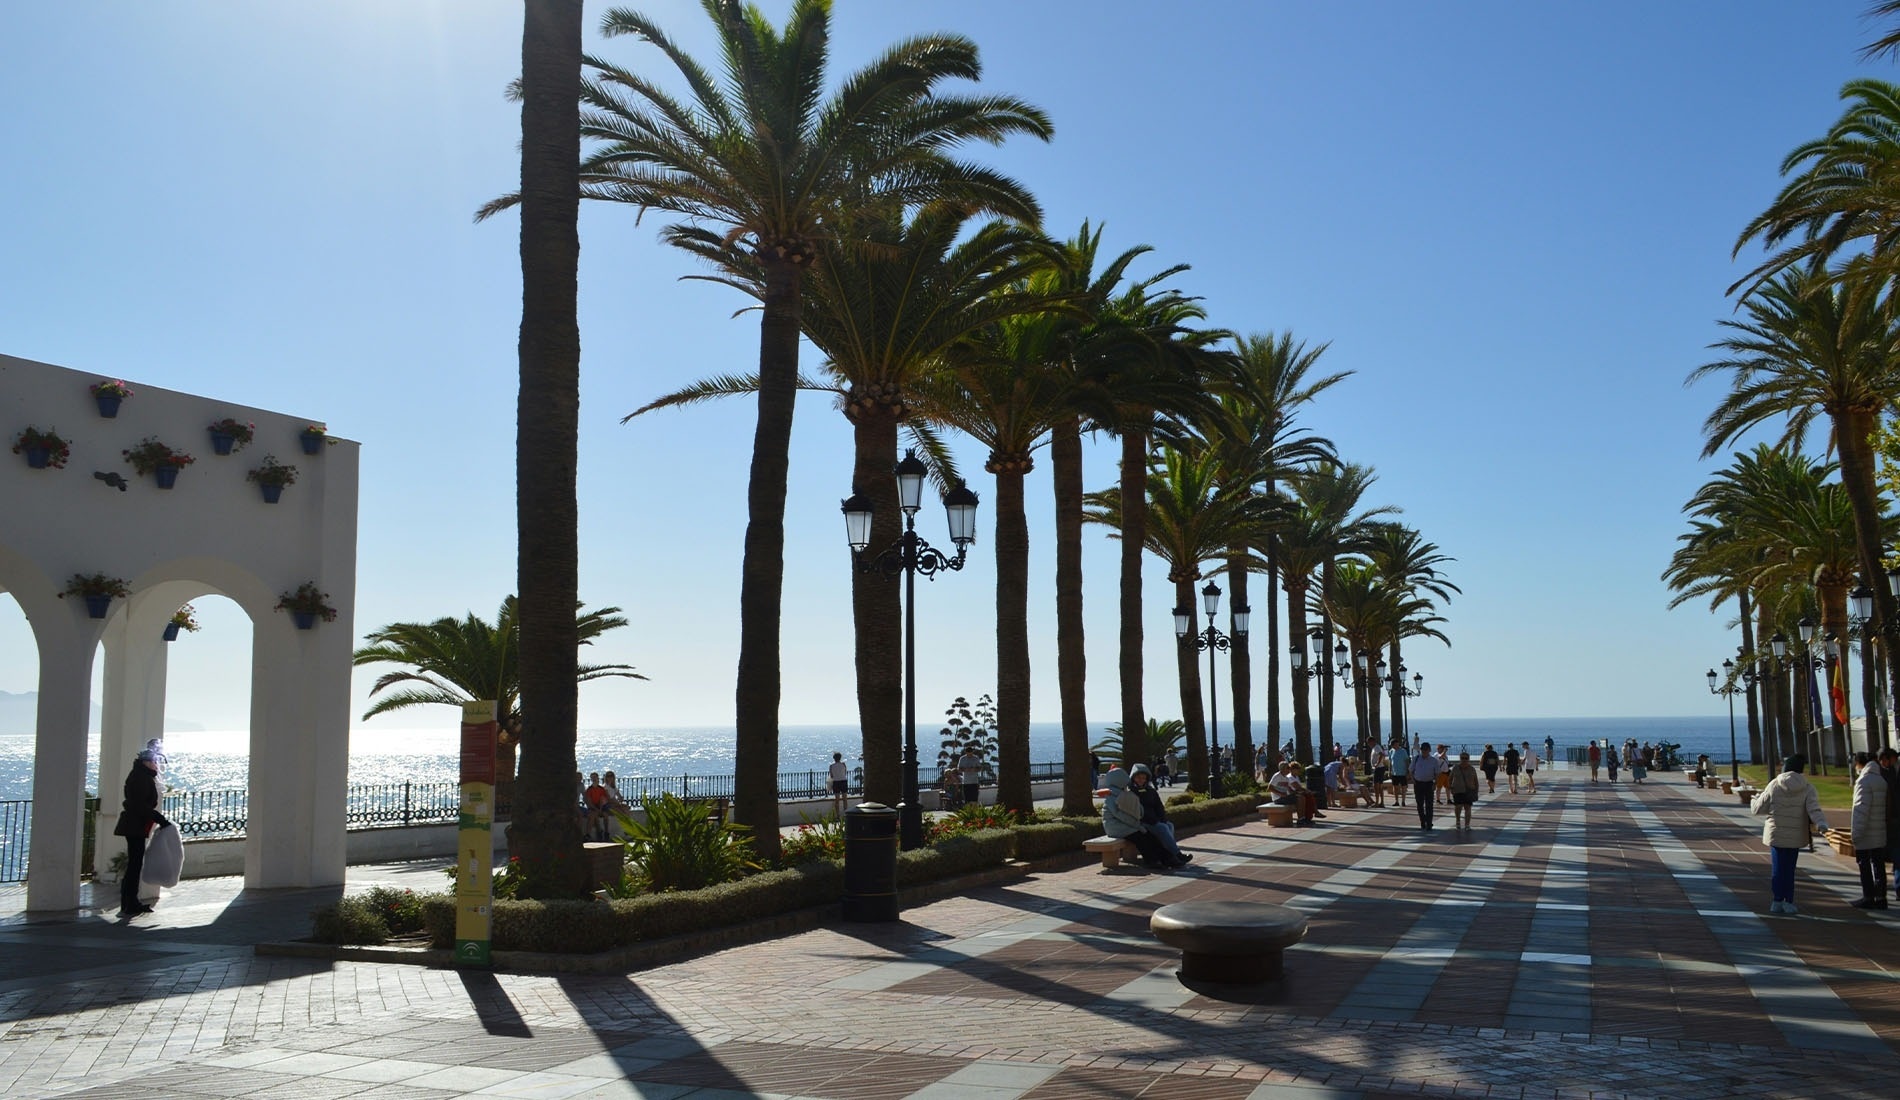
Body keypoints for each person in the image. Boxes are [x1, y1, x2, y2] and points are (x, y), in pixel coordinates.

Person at [1751, 753, 1829, 915]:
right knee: (1790, 869)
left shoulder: (1774, 785)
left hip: (1776, 833)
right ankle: (1789, 901)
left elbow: (1758, 809)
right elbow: (1814, 809)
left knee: (1778, 868)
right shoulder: (1807, 788)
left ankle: (1777, 900)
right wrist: (1821, 824)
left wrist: (1754, 799)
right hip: (1795, 835)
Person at [112, 739, 172, 917]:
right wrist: (159, 818)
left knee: (135, 864)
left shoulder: (141, 775)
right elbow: (138, 805)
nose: (157, 765)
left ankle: (131, 901)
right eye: (155, 761)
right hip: (134, 825)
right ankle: (129, 902)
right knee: (134, 864)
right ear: (147, 762)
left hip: (136, 825)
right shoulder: (140, 778)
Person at [1099, 767, 1179, 870]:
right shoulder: (1111, 796)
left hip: (1125, 826)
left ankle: (1168, 859)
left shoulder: (1119, 793)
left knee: (1149, 836)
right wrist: (1137, 825)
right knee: (1142, 838)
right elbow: (1121, 816)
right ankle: (1153, 860)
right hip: (1116, 828)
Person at [1129, 764, 1191, 865]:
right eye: (1138, 777)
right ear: (1133, 777)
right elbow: (1135, 811)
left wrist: (1162, 818)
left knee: (1169, 825)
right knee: (1162, 828)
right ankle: (1177, 854)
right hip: (1142, 821)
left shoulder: (1151, 791)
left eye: (1143, 778)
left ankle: (1169, 856)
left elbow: (1159, 806)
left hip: (1155, 820)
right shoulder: (1131, 792)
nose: (1141, 780)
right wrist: (1154, 821)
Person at [1850, 752, 1889, 909]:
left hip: (1866, 832)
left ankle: (1868, 896)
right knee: (1878, 864)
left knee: (1864, 864)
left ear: (1859, 763)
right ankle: (1881, 897)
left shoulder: (1863, 781)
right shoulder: (1880, 780)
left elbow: (1861, 810)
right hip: (1879, 829)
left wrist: (1856, 834)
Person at [1410, 744, 1444, 831]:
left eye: (1426, 750)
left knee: (1429, 805)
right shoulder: (1416, 759)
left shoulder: (1433, 760)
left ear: (1429, 750)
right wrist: (1413, 780)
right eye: (1422, 749)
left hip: (1429, 784)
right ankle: (1423, 821)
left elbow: (1437, 773)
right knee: (1420, 804)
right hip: (1418, 784)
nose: (1424, 751)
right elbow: (1411, 770)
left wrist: (1435, 783)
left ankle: (1429, 823)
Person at [1882, 747, 1900, 902]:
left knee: (1896, 853)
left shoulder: (1888, 774)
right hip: (1894, 818)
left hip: (1893, 818)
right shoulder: (1890, 773)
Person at [1447, 751, 1480, 831]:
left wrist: (1476, 791)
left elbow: (1476, 781)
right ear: (1460, 759)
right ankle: (1458, 821)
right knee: (1458, 807)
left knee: (1467, 808)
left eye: (1466, 758)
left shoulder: (1472, 769)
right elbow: (1450, 778)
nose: (1464, 760)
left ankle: (1467, 825)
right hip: (1458, 791)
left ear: (1468, 759)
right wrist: (1450, 787)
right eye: (1462, 758)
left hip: (1469, 791)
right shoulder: (1455, 768)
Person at [582, 772, 610, 840]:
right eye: (592, 777)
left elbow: (604, 799)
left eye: (595, 777)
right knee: (595, 816)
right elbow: (589, 802)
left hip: (600, 807)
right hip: (593, 807)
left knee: (606, 815)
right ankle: (599, 831)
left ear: (598, 778)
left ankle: (606, 832)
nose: (594, 779)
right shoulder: (589, 789)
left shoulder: (601, 789)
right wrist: (596, 809)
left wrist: (600, 808)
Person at [1388, 739, 1410, 806]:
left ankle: (1403, 801)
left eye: (1394, 745)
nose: (1393, 746)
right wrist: (1389, 771)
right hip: (1395, 773)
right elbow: (1390, 762)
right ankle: (1396, 801)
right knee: (1395, 787)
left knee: (1403, 787)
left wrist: (1408, 771)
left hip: (1402, 772)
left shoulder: (1403, 751)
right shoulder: (1391, 751)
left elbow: (1407, 761)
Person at [828, 752, 850, 817]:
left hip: (836, 782)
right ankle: (846, 814)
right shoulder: (843, 764)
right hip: (843, 781)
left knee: (837, 800)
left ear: (834, 758)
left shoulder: (831, 766)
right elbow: (845, 773)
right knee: (845, 799)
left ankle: (838, 815)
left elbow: (831, 776)